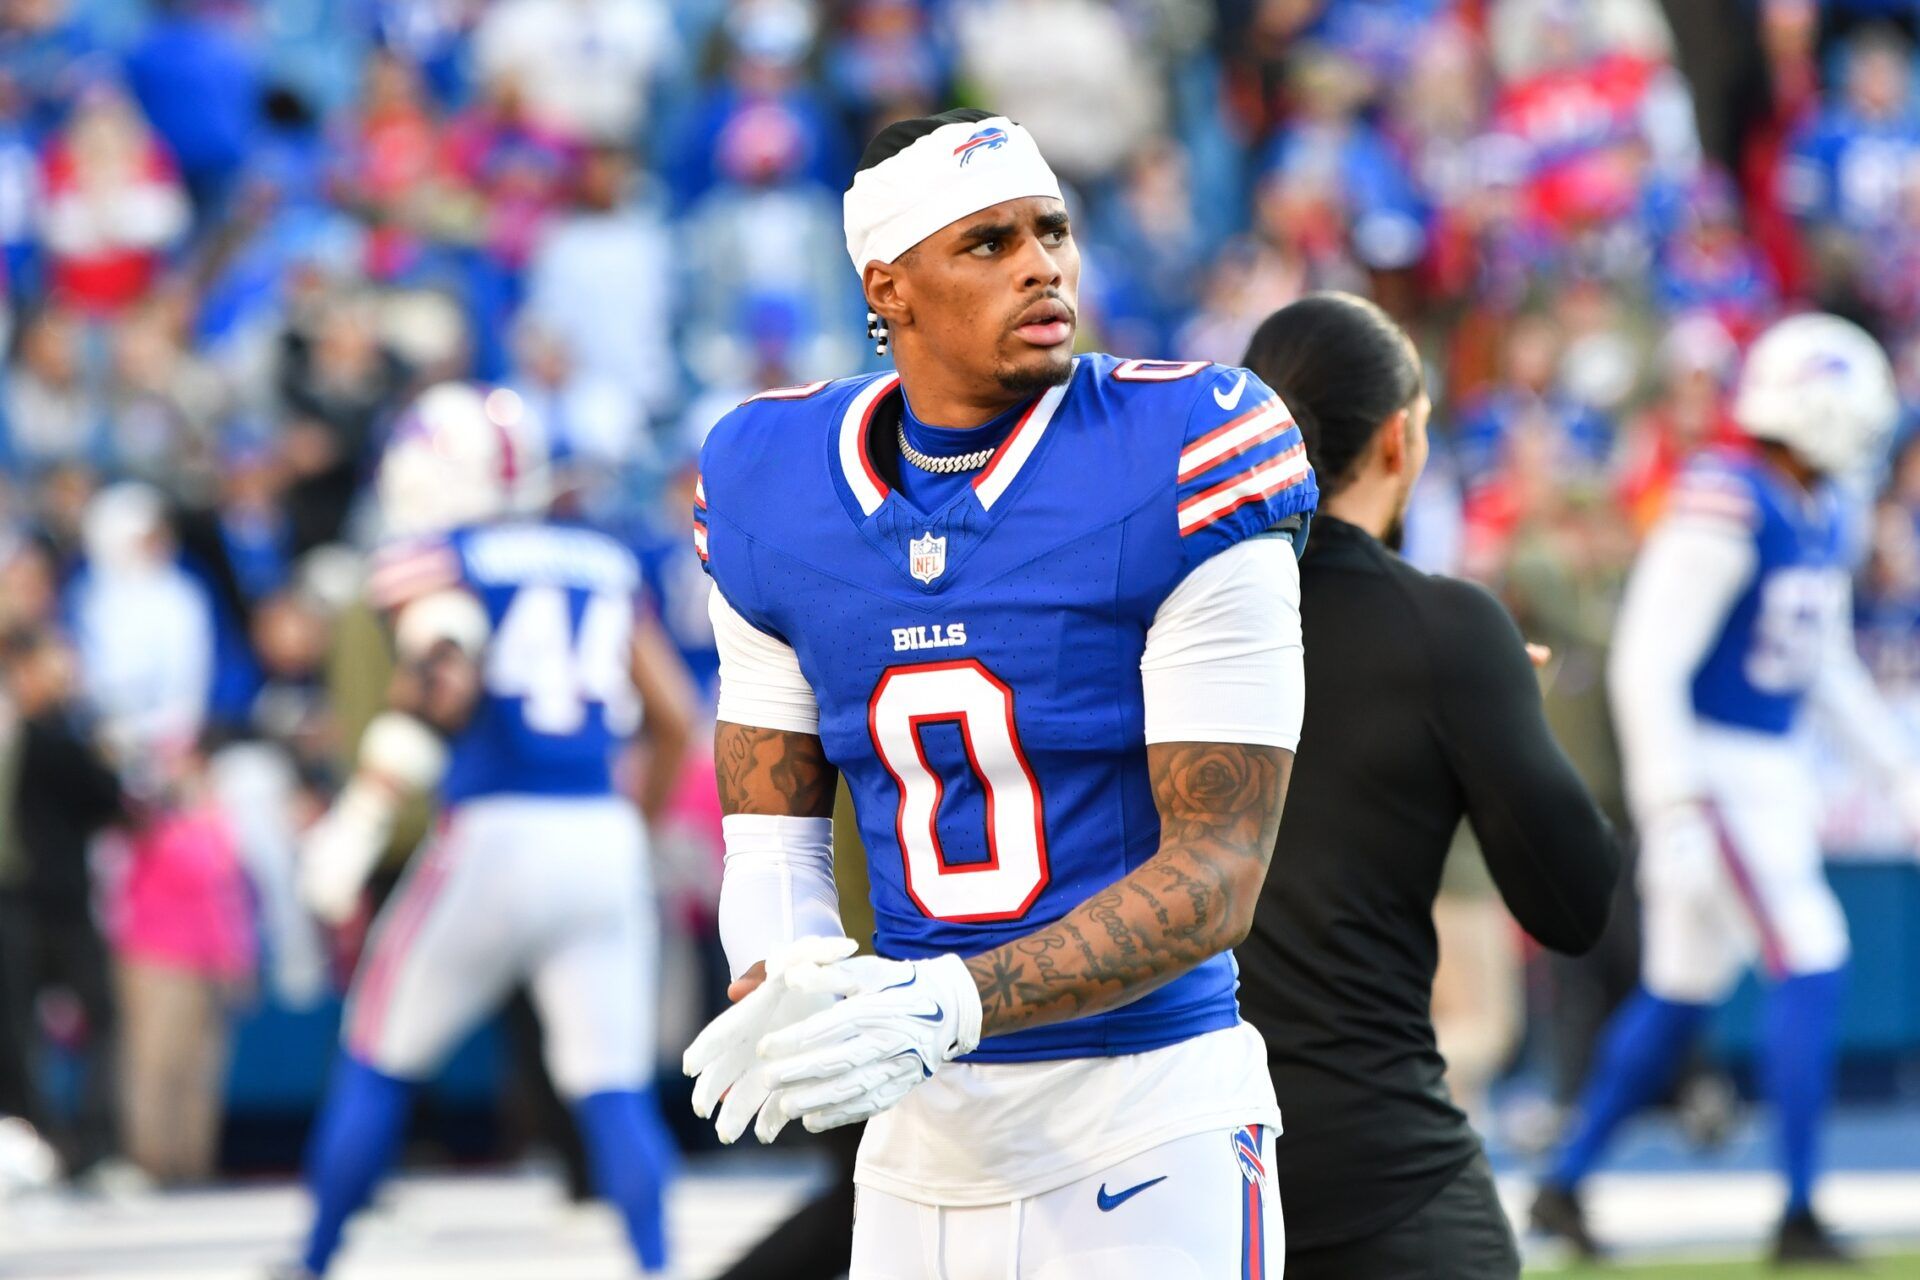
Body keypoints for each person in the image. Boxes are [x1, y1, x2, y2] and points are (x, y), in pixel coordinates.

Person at [683, 108, 1316, 1277]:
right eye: (986, 241)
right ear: (892, 285)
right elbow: (769, 840)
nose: (1042, 262)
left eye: (1053, 229)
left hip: (1150, 1108)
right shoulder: (768, 480)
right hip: (923, 1141)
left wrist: (948, 1002)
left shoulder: (1186, 442)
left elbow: (1220, 870)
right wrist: (795, 970)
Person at [1231, 293, 1619, 1280]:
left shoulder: (1151, 606)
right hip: (1371, 1156)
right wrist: (1490, 713)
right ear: (1400, 440)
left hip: (1163, 1157)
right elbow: (1577, 901)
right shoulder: (1443, 628)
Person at [276, 382, 694, 1279]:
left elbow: (443, 676)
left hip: (496, 828)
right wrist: (634, 827)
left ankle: (313, 1258)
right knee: (612, 1086)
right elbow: (674, 715)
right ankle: (659, 1263)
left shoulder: (438, 559)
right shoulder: (600, 560)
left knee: (378, 1050)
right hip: (598, 833)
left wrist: (362, 816)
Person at [1533, 313, 1920, 1264]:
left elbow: (1820, 664)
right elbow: (1648, 662)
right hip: (1712, 770)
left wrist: (1897, 768)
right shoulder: (1728, 496)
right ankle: (1795, 1207)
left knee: (1681, 992)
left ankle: (1563, 1186)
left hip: (1760, 766)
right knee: (1815, 956)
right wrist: (1672, 805)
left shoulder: (1812, 504)